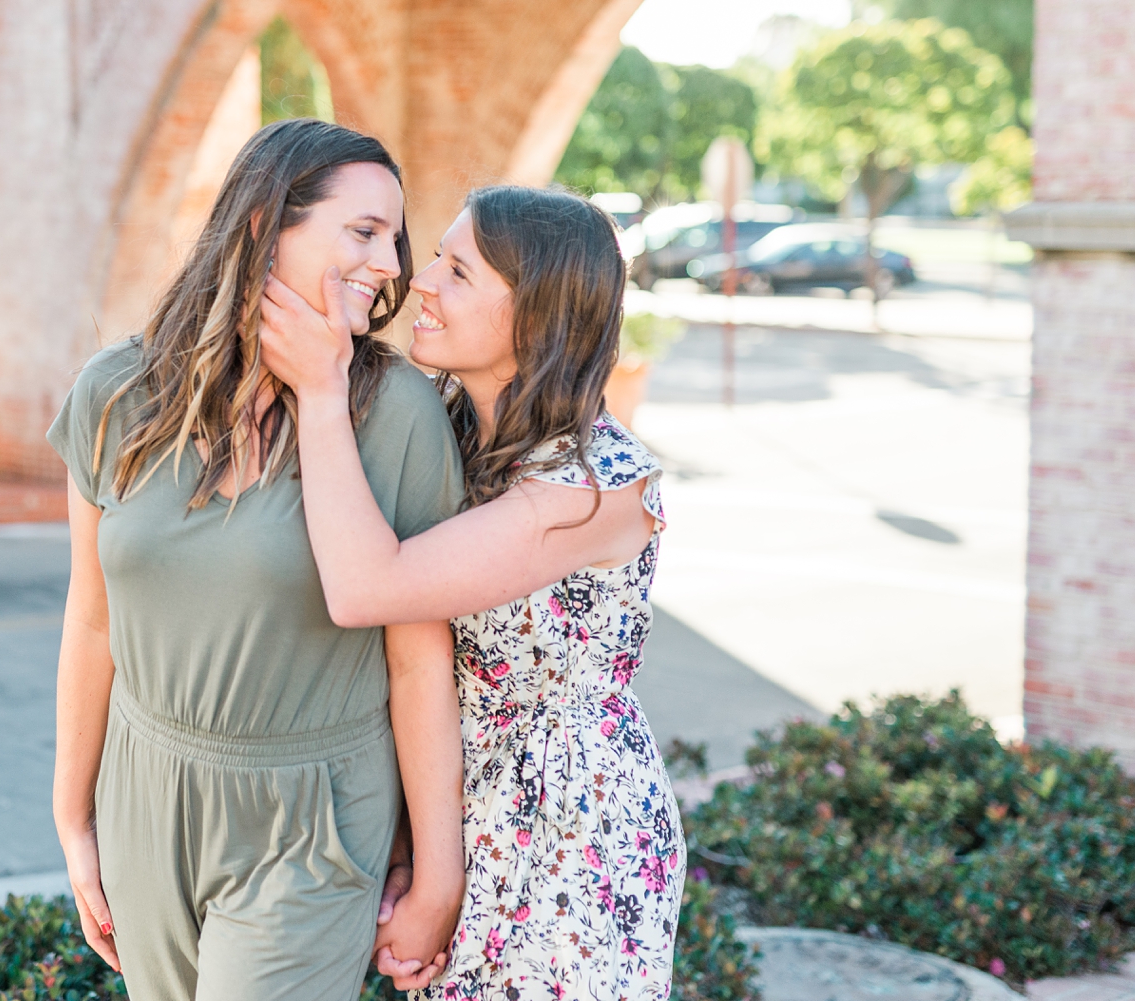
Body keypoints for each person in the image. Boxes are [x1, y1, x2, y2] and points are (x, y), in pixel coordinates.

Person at [47, 118, 466, 1001]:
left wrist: (437, 874)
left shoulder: (398, 416)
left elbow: (419, 660)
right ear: (261, 227)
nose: (392, 263)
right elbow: (91, 618)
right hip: (144, 787)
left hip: (311, 815)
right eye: (363, 232)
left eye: (395, 236)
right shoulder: (114, 394)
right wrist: (74, 813)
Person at [259, 184, 688, 1000]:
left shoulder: (591, 484)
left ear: (535, 316)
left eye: (457, 271)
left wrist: (320, 390)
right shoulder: (445, 425)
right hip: (448, 804)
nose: (420, 281)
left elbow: (366, 587)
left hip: (570, 831)